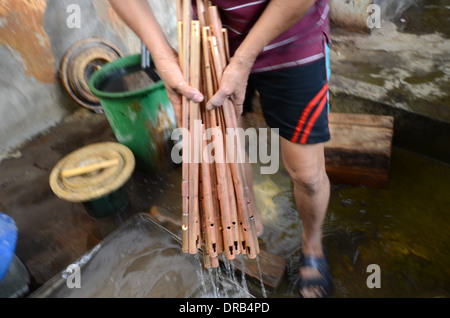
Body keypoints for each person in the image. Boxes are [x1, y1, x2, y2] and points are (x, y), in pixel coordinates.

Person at [109, 0, 332, 298]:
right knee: (222, 156)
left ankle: (312, 242)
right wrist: (163, 56)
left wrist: (243, 60)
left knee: (307, 174)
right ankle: (247, 223)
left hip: (292, 38)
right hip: (208, 44)